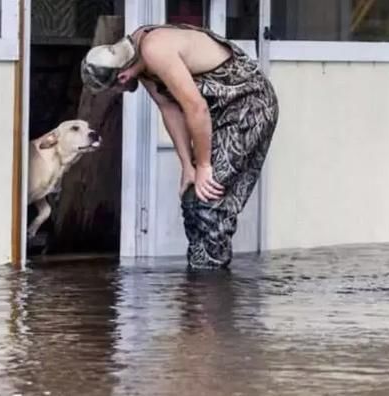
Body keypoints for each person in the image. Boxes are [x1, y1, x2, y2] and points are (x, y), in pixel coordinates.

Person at [80, 23, 279, 269]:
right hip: (218, 112)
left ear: (122, 77)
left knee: (208, 199)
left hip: (249, 105)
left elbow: (196, 108)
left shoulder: (154, 49)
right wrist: (188, 165)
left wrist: (204, 164)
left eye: (115, 90)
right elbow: (170, 108)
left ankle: (211, 288)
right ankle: (197, 283)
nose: (122, 92)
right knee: (191, 197)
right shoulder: (137, 56)